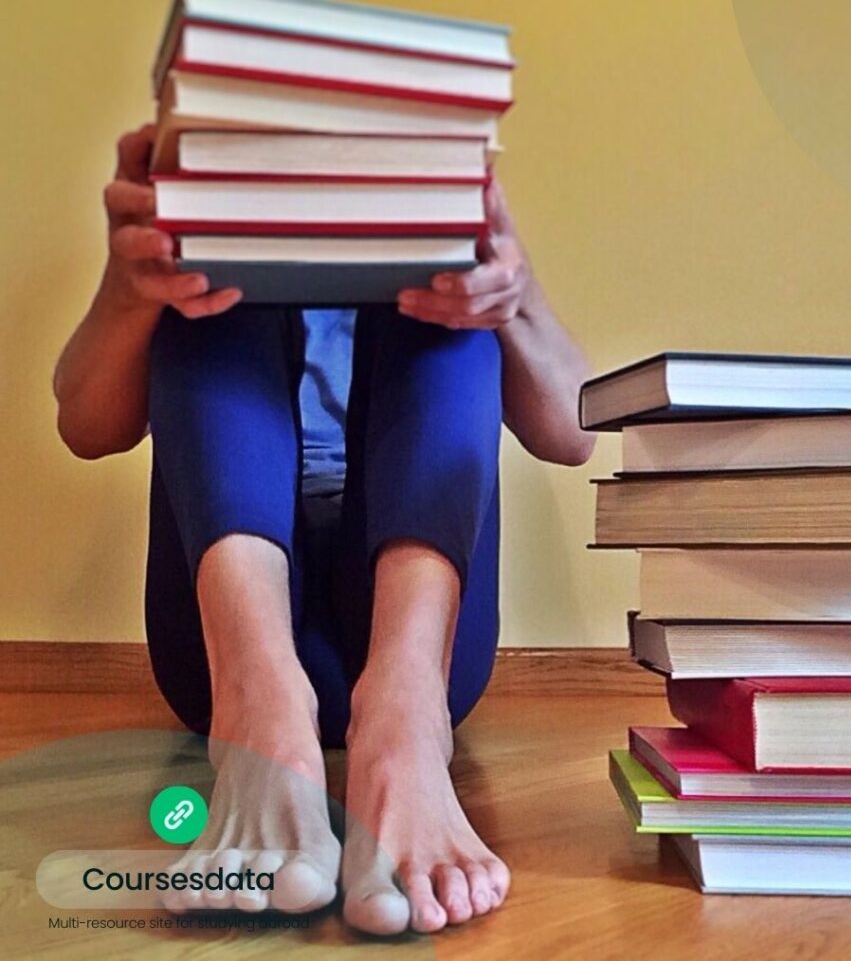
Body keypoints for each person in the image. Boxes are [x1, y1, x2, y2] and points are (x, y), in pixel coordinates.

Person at [53, 125, 595, 935]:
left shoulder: (440, 245)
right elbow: (86, 426)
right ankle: (262, 718)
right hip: (228, 651)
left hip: (417, 659)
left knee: (449, 323)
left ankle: (403, 735)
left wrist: (507, 302)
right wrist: (135, 289)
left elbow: (572, 432)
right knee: (205, 306)